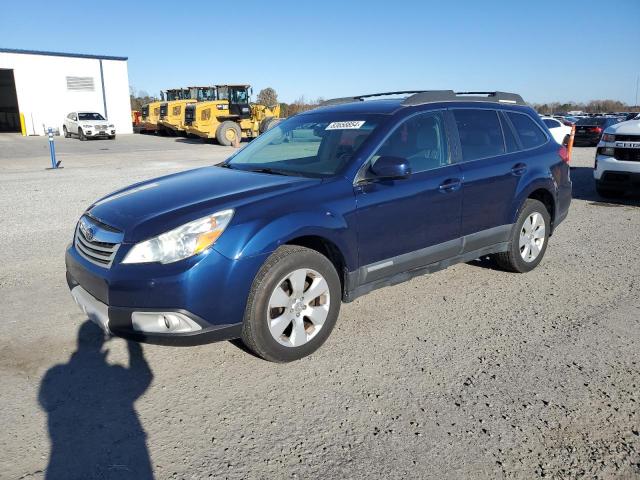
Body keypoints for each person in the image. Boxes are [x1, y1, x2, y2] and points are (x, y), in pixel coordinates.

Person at [39, 321, 153, 479]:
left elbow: (44, 401)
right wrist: (131, 341)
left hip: (66, 458)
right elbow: (144, 377)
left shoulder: (55, 373)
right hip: (118, 450)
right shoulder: (114, 374)